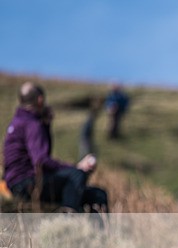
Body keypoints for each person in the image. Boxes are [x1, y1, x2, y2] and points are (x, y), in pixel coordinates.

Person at [3, 82, 107, 213]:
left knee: (97, 195)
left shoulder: (17, 122)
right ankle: (67, 221)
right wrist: (76, 168)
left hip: (15, 183)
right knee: (75, 176)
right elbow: (41, 160)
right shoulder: (32, 125)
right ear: (40, 99)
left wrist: (45, 125)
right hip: (27, 183)